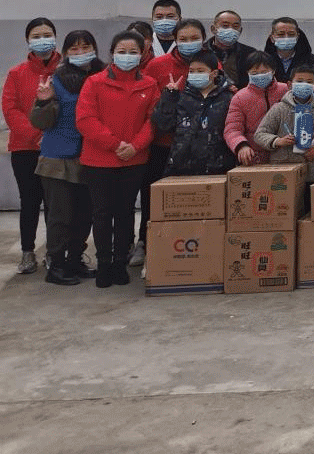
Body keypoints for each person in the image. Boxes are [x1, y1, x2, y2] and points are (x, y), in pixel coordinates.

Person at [76, 30, 158, 288]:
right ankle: (104, 263)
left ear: (142, 54)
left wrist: (135, 146)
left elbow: (153, 121)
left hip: (133, 160)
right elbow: (85, 119)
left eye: (133, 52)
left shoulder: (149, 84)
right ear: (111, 53)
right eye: (121, 52)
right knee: (101, 213)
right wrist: (114, 144)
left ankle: (120, 262)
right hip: (98, 160)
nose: (127, 56)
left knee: (125, 212)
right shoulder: (94, 82)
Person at [28, 30, 103, 285]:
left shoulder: (103, 77)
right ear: (65, 53)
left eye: (86, 47)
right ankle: (56, 264)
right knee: (61, 216)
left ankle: (75, 259)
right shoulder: (56, 81)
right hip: (58, 158)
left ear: (95, 48)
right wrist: (43, 102)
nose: (80, 53)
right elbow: (41, 122)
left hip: (91, 156)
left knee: (85, 214)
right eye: (74, 49)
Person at [140, 18, 210, 265]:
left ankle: (197, 248)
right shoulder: (157, 66)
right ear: (175, 40)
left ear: (203, 39)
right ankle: (146, 243)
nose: (189, 43)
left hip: (199, 147)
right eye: (183, 39)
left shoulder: (212, 63)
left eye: (194, 38)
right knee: (154, 199)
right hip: (163, 144)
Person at [3, 17, 59, 274]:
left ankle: (53, 251)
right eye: (36, 36)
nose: (42, 40)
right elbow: (10, 109)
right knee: (29, 200)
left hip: (57, 148)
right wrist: (35, 135)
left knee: (55, 202)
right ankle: (28, 252)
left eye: (47, 35)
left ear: (55, 37)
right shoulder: (17, 73)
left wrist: (51, 137)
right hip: (25, 149)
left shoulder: (65, 71)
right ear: (27, 40)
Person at [151, 48, 237, 177]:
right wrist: (169, 96)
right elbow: (163, 125)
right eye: (192, 71)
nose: (195, 74)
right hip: (182, 168)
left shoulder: (228, 98)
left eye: (200, 71)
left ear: (214, 73)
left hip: (218, 168)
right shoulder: (182, 98)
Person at [253, 62, 314, 190]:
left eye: (309, 82)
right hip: (282, 171)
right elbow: (259, 134)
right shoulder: (278, 109)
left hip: (310, 171)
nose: (304, 84)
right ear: (289, 84)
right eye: (300, 81)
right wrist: (277, 141)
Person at [225, 52, 288, 166]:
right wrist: (241, 145)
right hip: (255, 158)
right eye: (254, 73)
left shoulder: (286, 90)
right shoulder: (239, 97)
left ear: (273, 71)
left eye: (264, 72)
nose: (260, 76)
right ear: (248, 73)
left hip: (285, 154)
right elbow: (232, 129)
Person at [208, 10, 257, 89]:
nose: (230, 29)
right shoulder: (201, 52)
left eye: (235, 26)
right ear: (213, 29)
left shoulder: (250, 54)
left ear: (240, 31)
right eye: (225, 26)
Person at [264, 16, 314, 81]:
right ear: (272, 38)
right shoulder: (263, 62)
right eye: (281, 34)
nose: (286, 37)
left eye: (291, 34)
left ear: (297, 37)